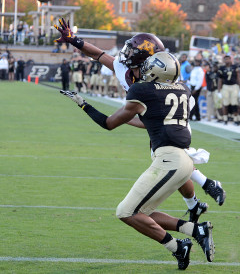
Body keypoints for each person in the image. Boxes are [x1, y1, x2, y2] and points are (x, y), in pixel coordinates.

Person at [54, 18, 226, 221]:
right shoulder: (126, 69)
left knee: (170, 156)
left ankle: (207, 184)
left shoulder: (162, 77)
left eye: (133, 53)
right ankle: (195, 203)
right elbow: (99, 55)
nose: (126, 56)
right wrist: (74, 40)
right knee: (170, 161)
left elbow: (167, 110)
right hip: (150, 115)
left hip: (173, 115)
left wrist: (118, 117)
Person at [60, 52, 215, 270]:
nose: (142, 71)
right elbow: (152, 121)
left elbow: (108, 123)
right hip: (184, 161)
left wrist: (84, 104)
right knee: (143, 213)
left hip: (169, 160)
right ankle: (194, 230)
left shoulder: (142, 91)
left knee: (126, 212)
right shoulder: (183, 89)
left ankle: (179, 247)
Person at [217, 55, 240, 125]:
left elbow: (238, 77)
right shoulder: (221, 68)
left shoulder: (235, 67)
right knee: (225, 103)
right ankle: (225, 119)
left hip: (234, 86)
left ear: (230, 59)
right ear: (224, 60)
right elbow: (220, 80)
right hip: (225, 86)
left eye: (228, 59)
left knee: (234, 103)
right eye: (225, 59)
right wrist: (219, 90)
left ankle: (236, 119)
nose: (227, 60)